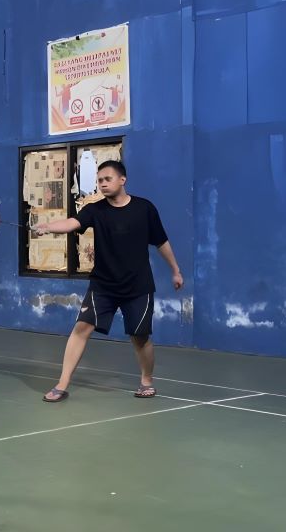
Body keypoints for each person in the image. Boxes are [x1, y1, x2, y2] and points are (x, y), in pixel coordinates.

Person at [37, 161, 184, 403]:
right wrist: (49, 226)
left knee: (140, 336)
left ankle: (147, 380)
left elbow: (161, 242)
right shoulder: (95, 210)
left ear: (122, 180)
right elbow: (72, 223)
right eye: (99, 180)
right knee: (82, 327)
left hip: (138, 286)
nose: (103, 183)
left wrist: (176, 270)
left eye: (107, 179)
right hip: (103, 284)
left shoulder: (144, 208)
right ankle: (62, 384)